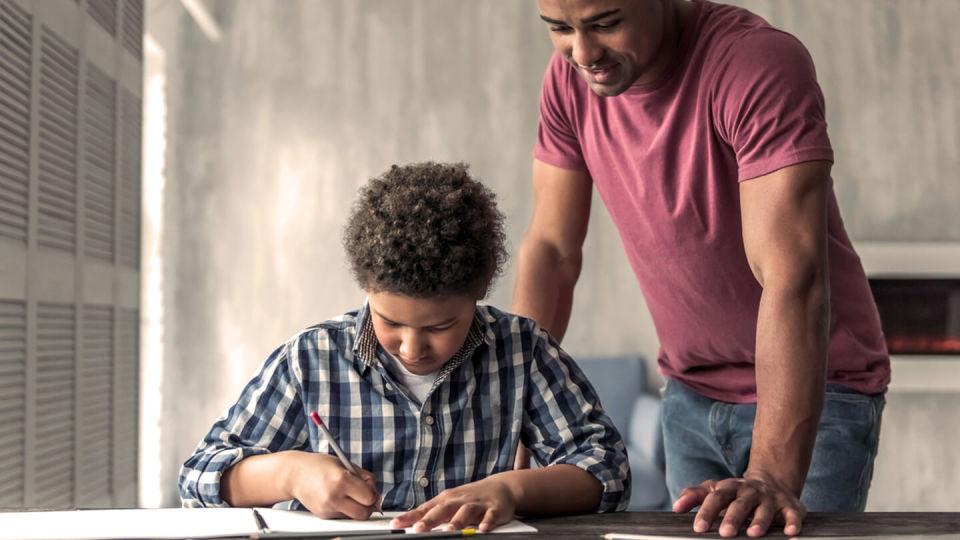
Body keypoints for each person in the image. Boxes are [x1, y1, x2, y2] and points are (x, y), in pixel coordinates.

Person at [513, 0, 890, 537]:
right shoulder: (567, 84)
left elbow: (792, 277)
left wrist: (771, 476)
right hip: (688, 392)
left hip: (818, 390)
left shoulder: (755, 63)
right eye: (559, 29)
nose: (584, 52)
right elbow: (552, 250)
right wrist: (512, 406)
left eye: (605, 24)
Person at [178, 162, 630, 532]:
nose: (413, 347)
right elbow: (198, 476)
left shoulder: (521, 351)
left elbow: (605, 468)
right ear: (367, 288)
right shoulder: (310, 361)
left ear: (477, 294)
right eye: (390, 321)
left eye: (441, 326)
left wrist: (511, 490)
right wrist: (291, 473)